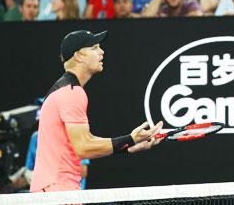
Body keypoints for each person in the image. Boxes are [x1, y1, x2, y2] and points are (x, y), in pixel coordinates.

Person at [29, 30, 162, 192]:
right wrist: (131, 139)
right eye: (94, 48)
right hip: (57, 191)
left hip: (52, 189)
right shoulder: (72, 93)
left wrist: (128, 145)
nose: (102, 51)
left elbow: (86, 140)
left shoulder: (62, 90)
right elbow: (83, 147)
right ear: (79, 56)